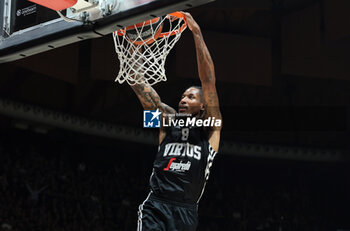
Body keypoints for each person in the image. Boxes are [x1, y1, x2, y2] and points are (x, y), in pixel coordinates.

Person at [130, 12, 222, 231]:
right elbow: (139, 86)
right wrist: (134, 47)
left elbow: (208, 81)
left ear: (203, 106)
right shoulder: (167, 121)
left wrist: (197, 33)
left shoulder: (211, 128)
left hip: (186, 210)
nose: (183, 99)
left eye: (190, 97)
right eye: (182, 96)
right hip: (156, 205)